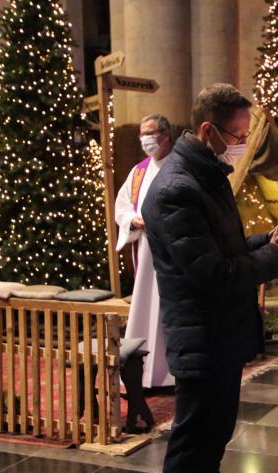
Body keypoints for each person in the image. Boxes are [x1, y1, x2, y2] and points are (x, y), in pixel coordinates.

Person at [142, 83, 278, 473]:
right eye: (235, 135)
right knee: (191, 444)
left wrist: (265, 240)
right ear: (208, 129)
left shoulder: (204, 174)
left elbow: (224, 245)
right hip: (201, 334)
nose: (240, 143)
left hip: (221, 333)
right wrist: (277, 258)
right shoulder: (176, 189)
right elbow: (211, 274)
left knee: (214, 437)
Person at [114, 113, 175, 392]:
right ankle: (142, 372)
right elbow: (122, 207)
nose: (144, 139)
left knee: (168, 307)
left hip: (174, 250)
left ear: (165, 135)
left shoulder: (178, 166)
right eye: (142, 134)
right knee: (145, 305)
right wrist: (133, 220)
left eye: (149, 133)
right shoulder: (138, 172)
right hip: (147, 248)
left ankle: (171, 372)